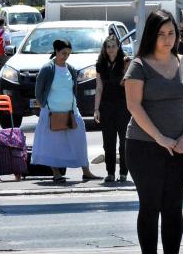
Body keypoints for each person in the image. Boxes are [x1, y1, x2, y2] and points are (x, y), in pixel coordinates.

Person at [124, 9, 183, 254]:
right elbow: (133, 106)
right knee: (150, 205)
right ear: (152, 36)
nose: (167, 39)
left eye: (171, 33)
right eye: (161, 34)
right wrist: (160, 138)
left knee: (173, 206)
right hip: (144, 146)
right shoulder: (139, 66)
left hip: (180, 148)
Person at [31, 39, 100, 183]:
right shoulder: (47, 69)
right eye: (63, 53)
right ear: (56, 51)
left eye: (68, 54)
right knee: (53, 143)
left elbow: (73, 89)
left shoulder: (71, 69)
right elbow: (38, 90)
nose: (66, 56)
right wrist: (44, 105)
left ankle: (86, 171)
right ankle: (56, 172)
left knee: (79, 139)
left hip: (71, 111)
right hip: (52, 112)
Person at [94, 35, 131, 183]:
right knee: (108, 142)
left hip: (123, 106)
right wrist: (96, 109)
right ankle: (110, 172)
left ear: (118, 47)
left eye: (113, 46)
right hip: (106, 106)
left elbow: (127, 84)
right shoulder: (100, 64)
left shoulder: (125, 62)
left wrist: (126, 67)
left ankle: (123, 173)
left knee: (124, 142)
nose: (110, 49)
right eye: (108, 46)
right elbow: (99, 87)